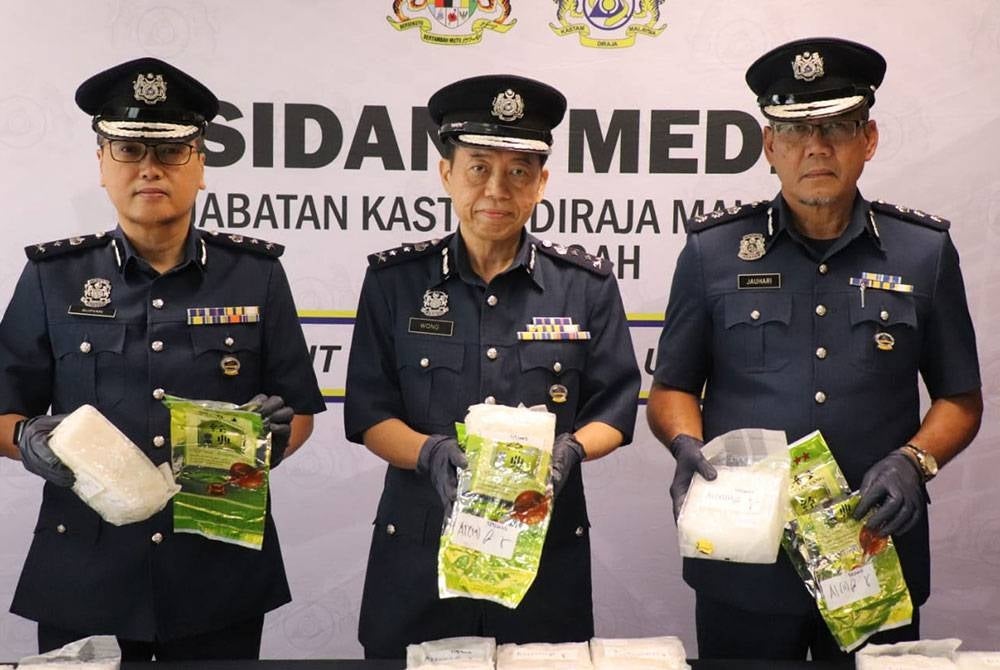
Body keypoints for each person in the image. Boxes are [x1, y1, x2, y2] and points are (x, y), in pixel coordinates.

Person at [648, 37, 982, 661]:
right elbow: (670, 388)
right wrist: (685, 442)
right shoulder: (712, 254)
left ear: (869, 139)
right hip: (745, 561)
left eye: (836, 128)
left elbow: (961, 398)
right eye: (796, 131)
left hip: (873, 556)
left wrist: (915, 461)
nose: (816, 148)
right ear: (770, 146)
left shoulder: (923, 253)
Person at [0, 57, 325, 660]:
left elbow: (300, 410)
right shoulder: (53, 277)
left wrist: (270, 442)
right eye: (127, 149)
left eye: (171, 151)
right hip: (85, 573)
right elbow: (1, 411)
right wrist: (27, 439)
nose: (149, 167)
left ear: (200, 164)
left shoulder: (256, 276)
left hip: (216, 569)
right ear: (101, 164)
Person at [344, 74, 640, 659]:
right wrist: (430, 454)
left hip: (542, 559)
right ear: (446, 173)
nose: (497, 189)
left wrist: (571, 451)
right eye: (479, 167)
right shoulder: (394, 285)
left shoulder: (585, 287)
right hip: (419, 555)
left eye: (518, 172)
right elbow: (370, 414)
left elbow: (616, 407)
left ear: (541, 183)